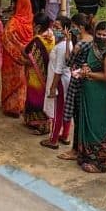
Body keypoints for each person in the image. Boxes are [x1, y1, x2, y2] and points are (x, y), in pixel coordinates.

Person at [64, 20, 106, 173]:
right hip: (89, 94)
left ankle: (100, 162)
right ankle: (86, 156)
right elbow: (90, 64)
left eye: (104, 34)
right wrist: (86, 68)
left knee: (99, 128)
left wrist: (88, 74)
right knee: (88, 125)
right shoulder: (93, 47)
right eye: (99, 34)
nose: (101, 37)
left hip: (101, 96)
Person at [43, 14, 79, 150]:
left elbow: (58, 69)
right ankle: (65, 135)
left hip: (59, 81)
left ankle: (53, 139)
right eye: (54, 26)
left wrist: (53, 88)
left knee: (58, 110)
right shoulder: (67, 43)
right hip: (65, 80)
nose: (54, 29)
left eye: (58, 27)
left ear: (66, 29)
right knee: (65, 108)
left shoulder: (62, 46)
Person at [1, 0, 35, 117]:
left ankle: (11, 107)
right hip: (27, 59)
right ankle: (20, 106)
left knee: (11, 81)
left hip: (11, 59)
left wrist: (16, 52)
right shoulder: (31, 21)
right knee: (23, 82)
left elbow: (5, 38)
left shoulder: (14, 22)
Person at [22, 13, 56, 134]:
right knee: (42, 98)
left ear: (37, 26)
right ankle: (37, 122)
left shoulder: (37, 40)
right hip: (48, 73)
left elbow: (26, 53)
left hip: (37, 75)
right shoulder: (51, 36)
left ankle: (42, 125)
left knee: (36, 98)